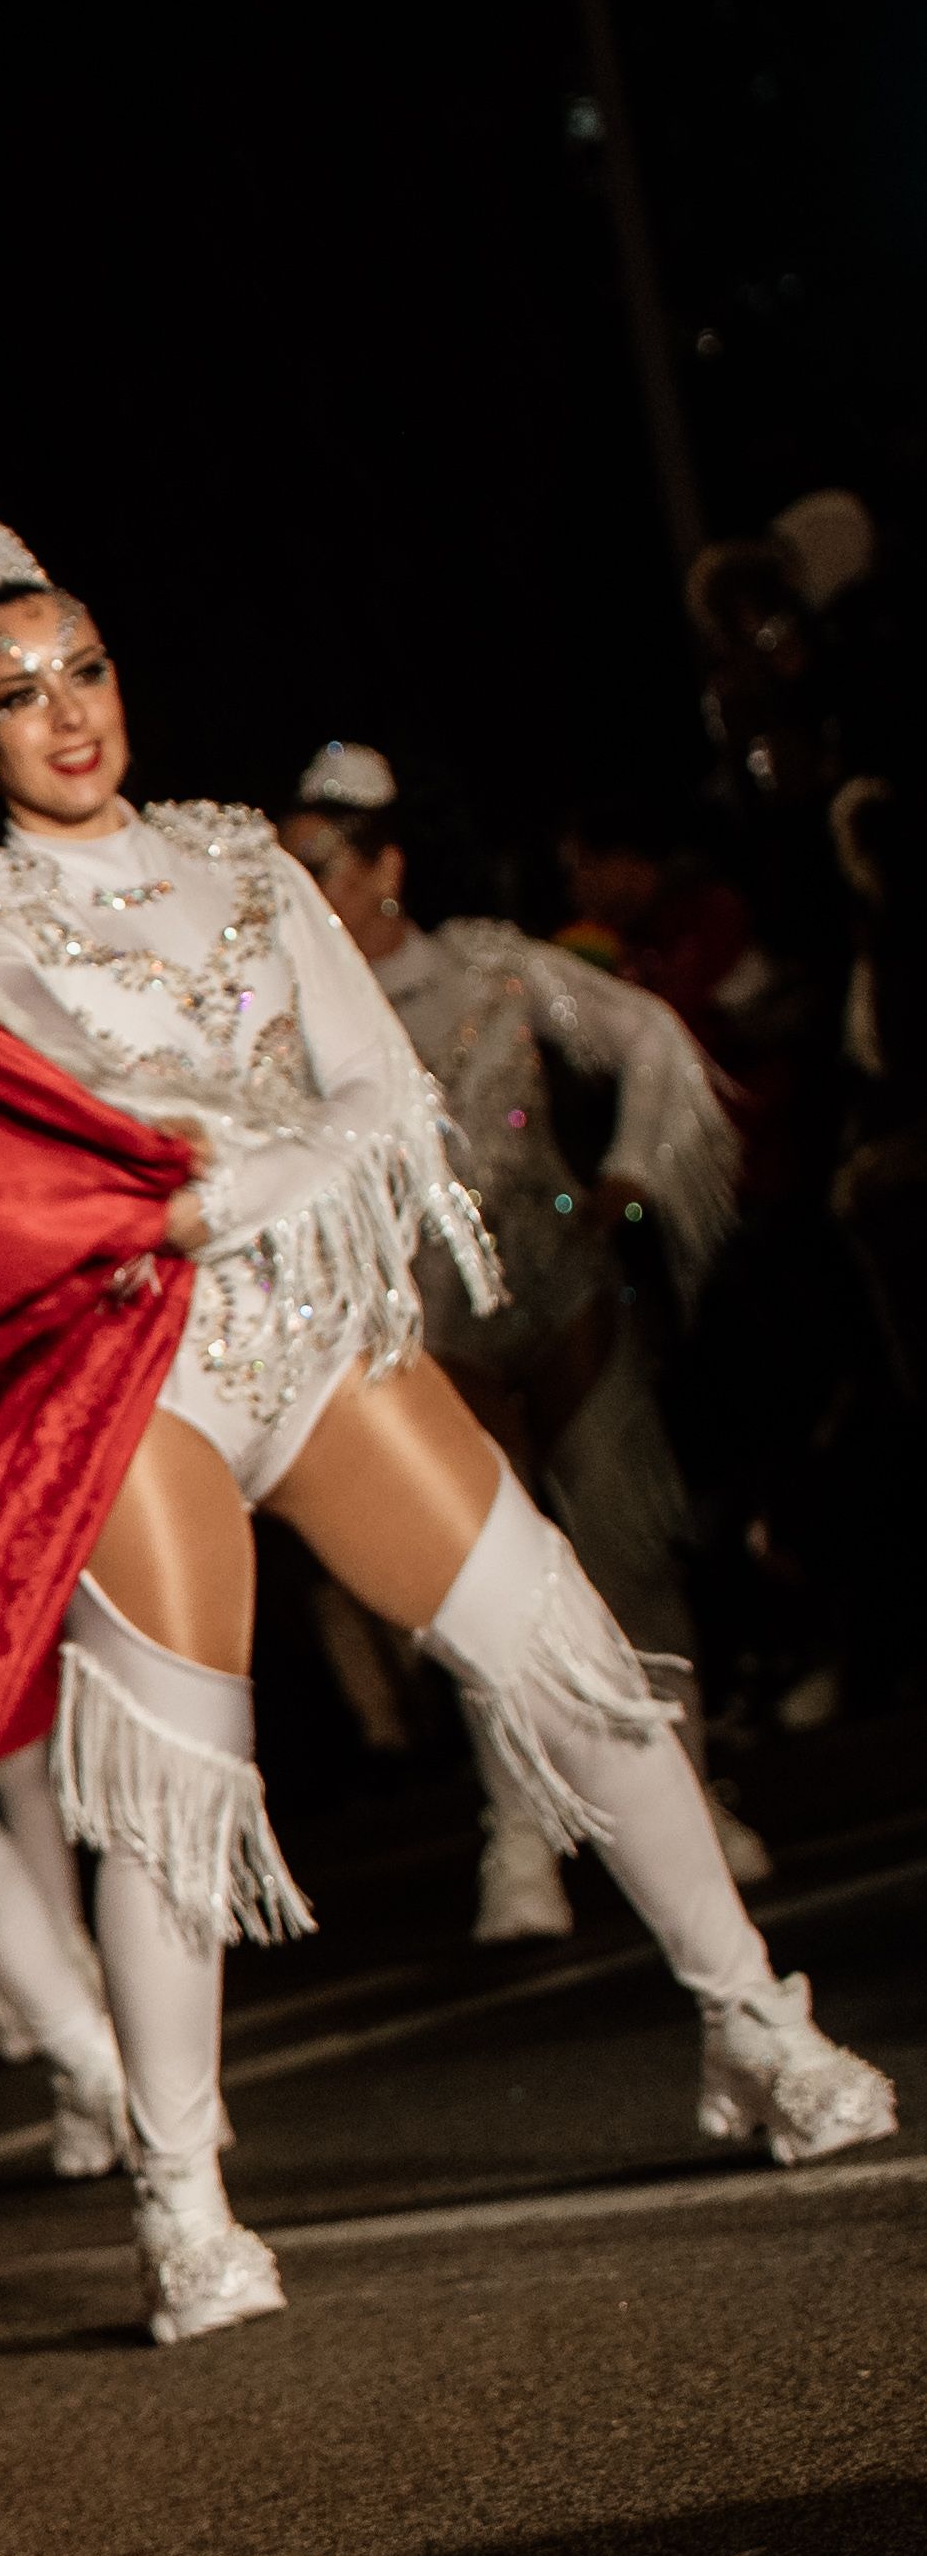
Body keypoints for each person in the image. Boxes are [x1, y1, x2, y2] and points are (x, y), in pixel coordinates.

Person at [0, 523, 889, 2329]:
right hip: (147, 1369)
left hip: (320, 1330)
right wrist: (162, 1205)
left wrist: (231, 1181)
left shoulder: (245, 860)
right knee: (173, 1791)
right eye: (17, 697)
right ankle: (181, 2197)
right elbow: (24, 1167)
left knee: (572, 1658)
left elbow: (383, 1094)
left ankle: (754, 2025)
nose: (68, 716)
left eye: (85, 670)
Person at [275, 744, 766, 1937]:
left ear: (384, 864)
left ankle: (687, 1798)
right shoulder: (292, 1026)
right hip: (436, 1336)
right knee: (484, 1589)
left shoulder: (492, 969)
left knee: (625, 1552)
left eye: (324, 865)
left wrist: (632, 1173)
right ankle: (522, 1842)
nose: (310, 892)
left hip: (560, 1295)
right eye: (291, 874)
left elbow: (646, 1036)